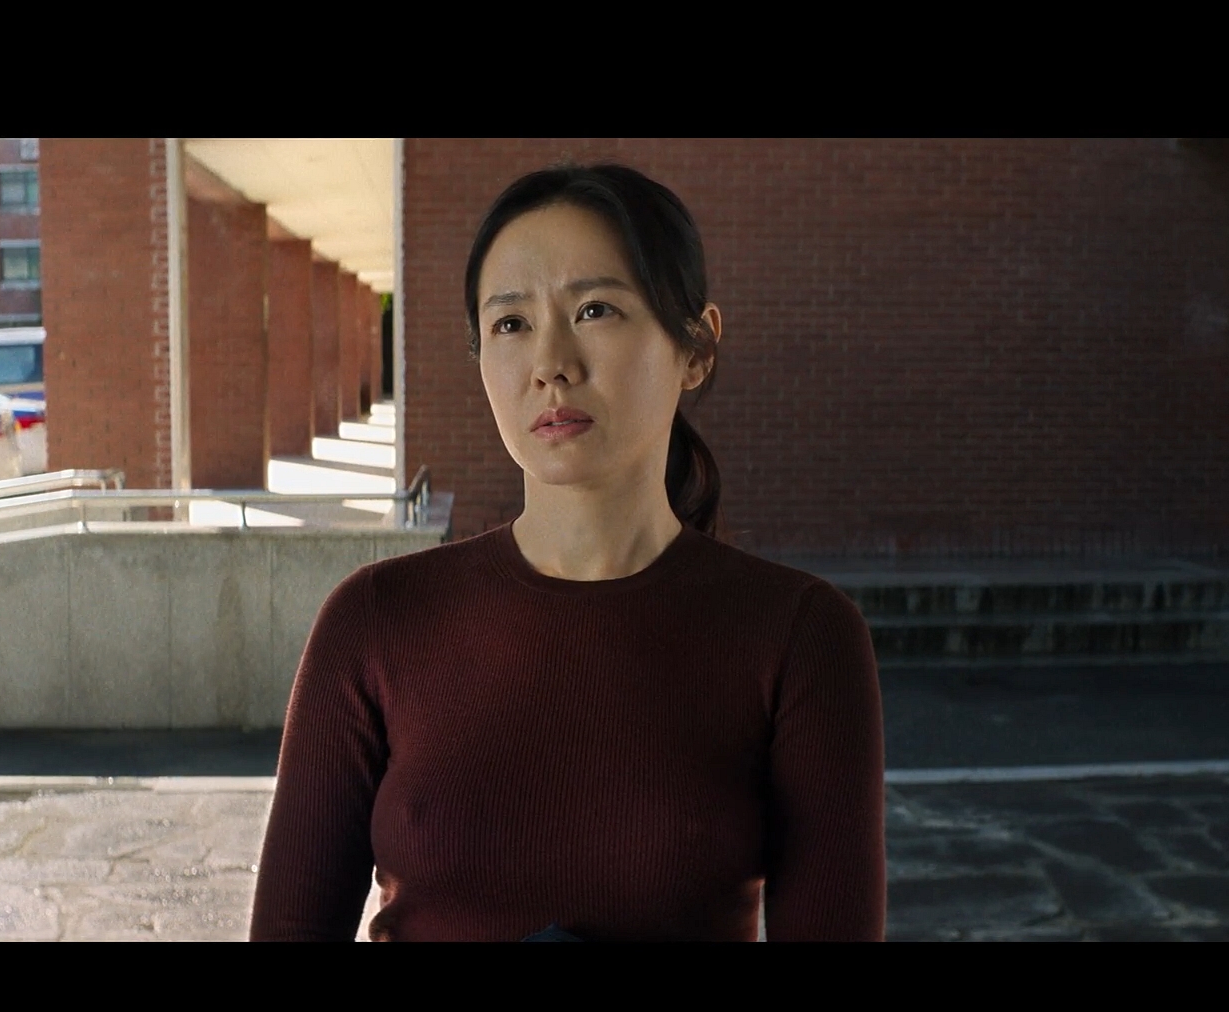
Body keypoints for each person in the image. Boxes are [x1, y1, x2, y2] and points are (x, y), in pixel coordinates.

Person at [249, 164, 884, 942]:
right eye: (511, 323)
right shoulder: (377, 619)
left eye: (595, 310)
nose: (551, 363)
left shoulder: (800, 636)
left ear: (696, 346)